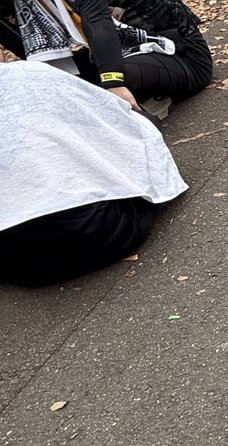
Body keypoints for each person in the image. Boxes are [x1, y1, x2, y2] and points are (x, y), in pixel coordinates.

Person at [0, 60, 188, 285]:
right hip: (102, 231)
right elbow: (106, 112)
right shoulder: (27, 73)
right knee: (139, 126)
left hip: (17, 266)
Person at [12, 0, 212, 111]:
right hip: (124, 53)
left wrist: (113, 82)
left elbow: (96, 19)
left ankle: (141, 100)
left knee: (97, 91)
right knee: (59, 94)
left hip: (182, 54)